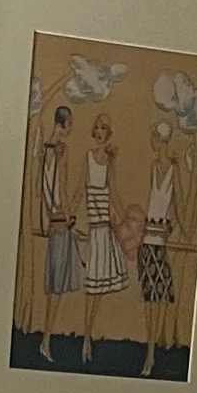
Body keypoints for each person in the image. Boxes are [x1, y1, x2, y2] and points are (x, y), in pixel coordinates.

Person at [137, 117, 187, 374]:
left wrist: (181, 229)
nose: (155, 143)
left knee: (158, 300)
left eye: (156, 139)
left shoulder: (173, 169)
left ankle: (152, 353)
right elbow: (150, 200)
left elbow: (175, 203)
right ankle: (149, 352)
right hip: (147, 242)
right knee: (149, 300)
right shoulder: (153, 166)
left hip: (160, 243)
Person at [80, 112, 127, 361]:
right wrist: (65, 214)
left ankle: (87, 335)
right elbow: (79, 190)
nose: (99, 132)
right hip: (94, 228)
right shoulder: (87, 158)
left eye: (103, 129)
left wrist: (125, 218)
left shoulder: (110, 161)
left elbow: (113, 192)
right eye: (96, 128)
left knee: (97, 289)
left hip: (105, 229)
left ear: (108, 134)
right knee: (92, 287)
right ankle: (86, 338)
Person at [34, 103, 79, 351]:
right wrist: (71, 216)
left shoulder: (44, 149)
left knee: (54, 285)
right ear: (63, 124)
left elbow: (42, 187)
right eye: (70, 124)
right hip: (61, 220)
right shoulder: (60, 149)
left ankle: (46, 338)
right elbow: (61, 185)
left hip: (52, 220)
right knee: (57, 285)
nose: (71, 128)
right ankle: (46, 339)